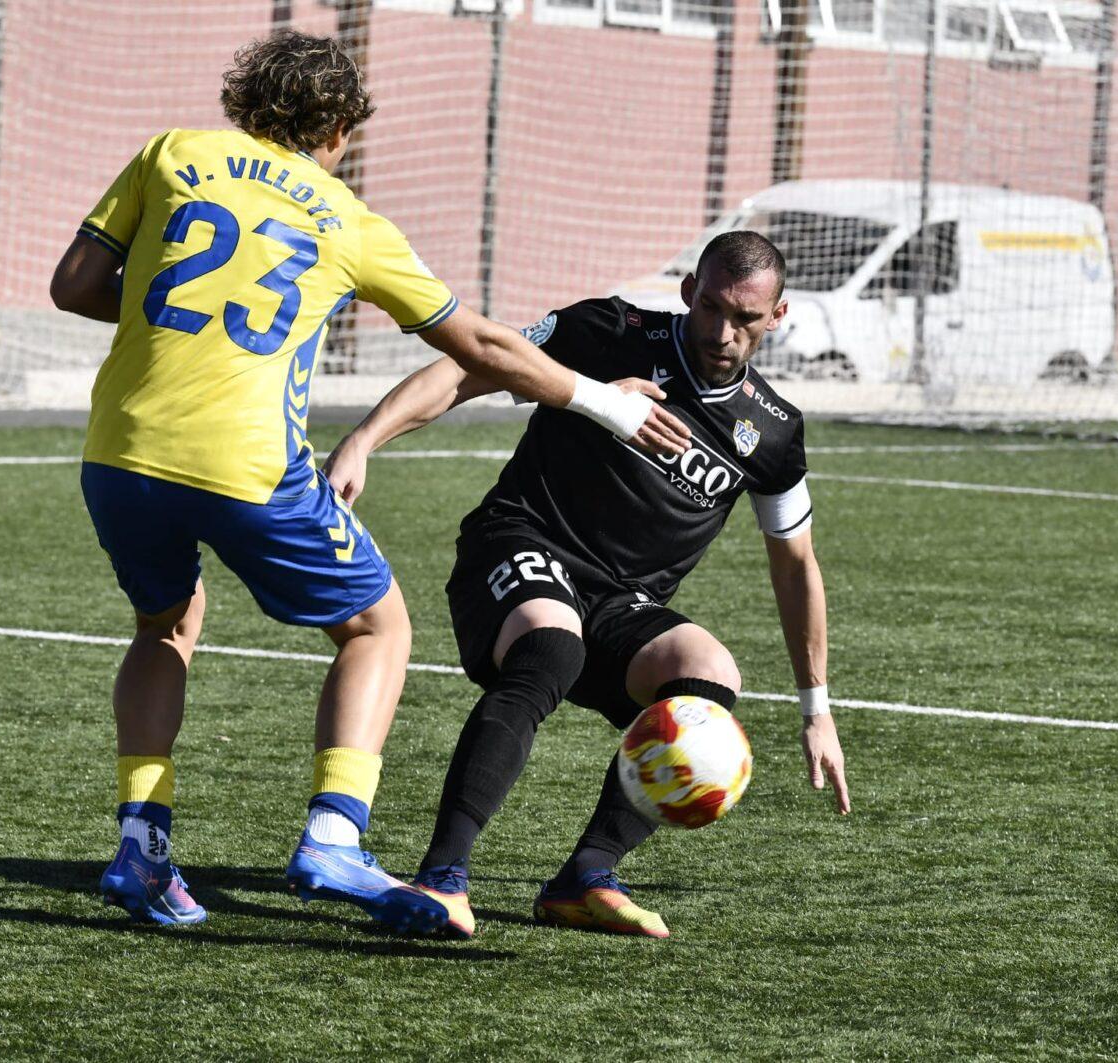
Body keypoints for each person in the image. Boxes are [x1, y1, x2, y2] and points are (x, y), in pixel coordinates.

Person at [48, 29, 689, 929]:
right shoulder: (348, 221)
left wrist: (183, 309)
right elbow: (486, 349)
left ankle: (142, 845)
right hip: (247, 464)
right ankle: (335, 834)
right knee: (376, 624)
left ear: (247, 98)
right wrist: (603, 402)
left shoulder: (173, 152)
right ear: (340, 125)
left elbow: (73, 284)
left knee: (166, 622)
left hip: (117, 455)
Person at [323, 230, 850, 940]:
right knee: (550, 644)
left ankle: (586, 875)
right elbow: (470, 366)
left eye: (747, 319)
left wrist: (816, 707)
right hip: (516, 542)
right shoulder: (607, 332)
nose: (725, 332)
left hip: (619, 600)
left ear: (777, 316)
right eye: (713, 309)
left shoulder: (775, 430)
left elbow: (796, 564)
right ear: (690, 292)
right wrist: (364, 438)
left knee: (709, 679)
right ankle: (441, 877)